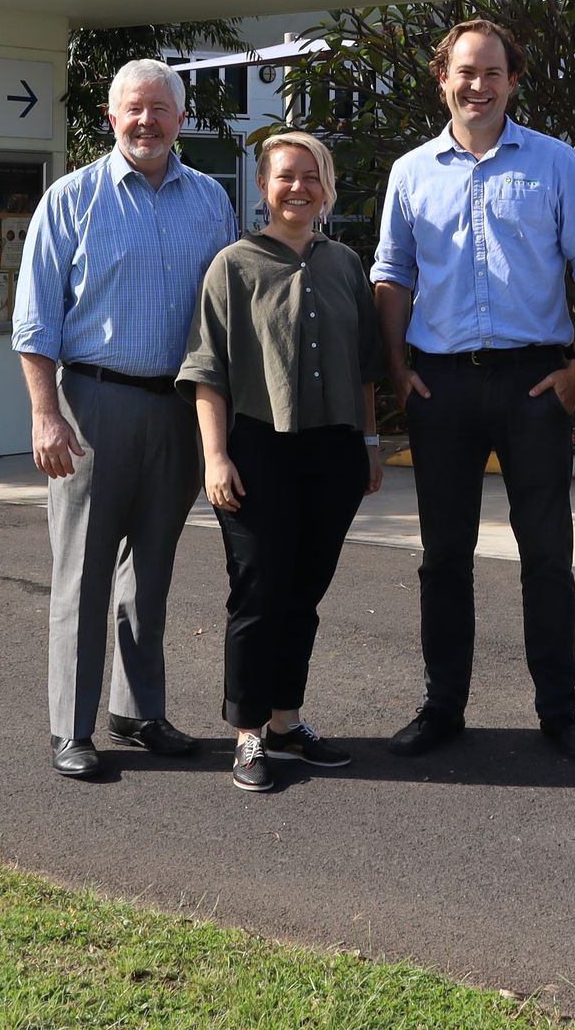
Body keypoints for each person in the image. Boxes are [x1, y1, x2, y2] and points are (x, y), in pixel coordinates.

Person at [371, 17, 575, 763]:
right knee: (444, 557)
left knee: (547, 554)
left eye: (492, 73)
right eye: (464, 73)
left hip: (535, 382)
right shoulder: (412, 173)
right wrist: (398, 373)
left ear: (513, 80)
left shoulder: (555, 162)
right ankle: (443, 706)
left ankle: (559, 711)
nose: (478, 85)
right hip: (440, 387)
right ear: (443, 78)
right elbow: (393, 275)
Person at [13, 58, 237, 779]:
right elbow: (35, 322)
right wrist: (46, 416)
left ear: (180, 118)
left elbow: (221, 319)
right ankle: (71, 728)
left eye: (159, 110)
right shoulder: (71, 199)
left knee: (153, 570)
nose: (146, 122)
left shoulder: (211, 201)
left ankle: (137, 711)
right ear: (112, 118)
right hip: (92, 404)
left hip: (175, 406)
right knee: (82, 571)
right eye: (133, 110)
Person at [177, 131, 383, 793]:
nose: (299, 188)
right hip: (258, 449)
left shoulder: (346, 263)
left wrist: (371, 447)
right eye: (285, 177)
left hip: (335, 451)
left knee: (304, 595)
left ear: (326, 189)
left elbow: (366, 369)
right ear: (262, 187)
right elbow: (207, 371)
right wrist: (215, 458)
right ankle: (247, 734)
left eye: (312, 177)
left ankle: (288, 723)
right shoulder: (232, 266)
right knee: (259, 595)